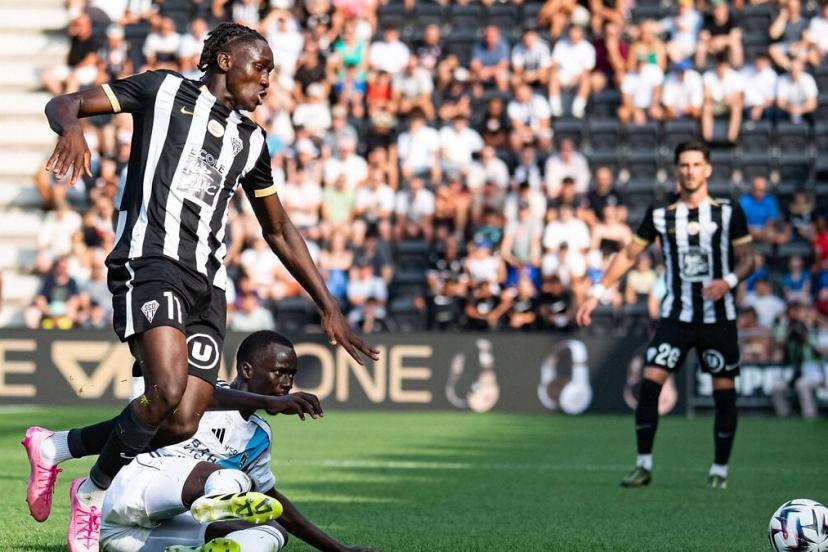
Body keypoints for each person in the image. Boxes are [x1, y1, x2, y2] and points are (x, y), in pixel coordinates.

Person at [38, 22, 378, 551]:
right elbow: (64, 102)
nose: (266, 81)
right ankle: (92, 493)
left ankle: (56, 447)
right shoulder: (162, 90)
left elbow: (277, 228)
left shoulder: (252, 140)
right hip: (152, 260)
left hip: (208, 284)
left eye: (270, 72)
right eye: (259, 67)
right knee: (167, 391)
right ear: (225, 60)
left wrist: (327, 305)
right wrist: (71, 128)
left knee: (181, 420)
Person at [24, 331, 379, 552]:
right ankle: (216, 499)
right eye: (280, 372)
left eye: (292, 375)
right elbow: (200, 397)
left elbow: (272, 500)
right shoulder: (203, 395)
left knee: (270, 531)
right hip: (125, 497)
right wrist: (268, 402)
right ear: (247, 370)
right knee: (229, 477)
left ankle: (200, 542)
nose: (287, 383)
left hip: (130, 539)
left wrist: (338, 549)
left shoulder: (258, 436)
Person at [577, 141, 755, 489]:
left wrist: (729, 282)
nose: (690, 171)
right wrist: (597, 293)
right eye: (684, 165)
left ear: (708, 169)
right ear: (677, 170)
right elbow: (629, 255)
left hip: (718, 319)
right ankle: (643, 464)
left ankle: (719, 470)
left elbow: (749, 259)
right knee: (649, 383)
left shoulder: (728, 212)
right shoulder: (661, 213)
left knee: (724, 393)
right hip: (676, 316)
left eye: (696, 164)